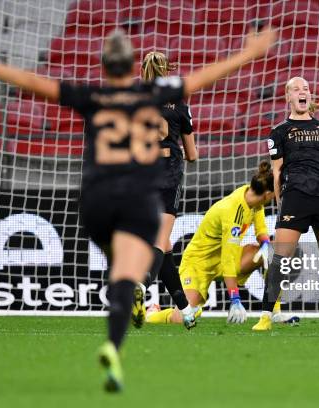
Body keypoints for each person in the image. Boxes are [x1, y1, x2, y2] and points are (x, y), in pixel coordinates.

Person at [0, 27, 276, 392]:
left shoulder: (92, 94)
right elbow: (204, 78)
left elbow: (33, 82)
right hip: (140, 192)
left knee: (141, 255)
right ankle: (122, 325)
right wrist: (249, 54)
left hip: (95, 197)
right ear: (132, 65)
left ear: (105, 66)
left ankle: (158, 312)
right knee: (136, 264)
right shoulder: (154, 94)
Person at [146, 161, 297, 325]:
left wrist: (266, 244)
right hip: (198, 264)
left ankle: (274, 311)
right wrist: (235, 299)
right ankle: (152, 313)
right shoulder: (232, 212)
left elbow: (260, 231)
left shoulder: (253, 200)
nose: (276, 195)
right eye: (275, 192)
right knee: (181, 318)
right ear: (268, 194)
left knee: (274, 252)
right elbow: (228, 260)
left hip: (224, 258)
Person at [252, 76, 319, 332]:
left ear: (309, 96)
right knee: (281, 257)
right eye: (296, 89)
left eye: (306, 88)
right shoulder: (279, 132)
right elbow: (277, 171)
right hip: (296, 196)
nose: (302, 91)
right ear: (288, 97)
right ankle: (265, 315)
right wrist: (281, 202)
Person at [131, 51, 199, 330]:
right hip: (168, 167)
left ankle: (186, 310)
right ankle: (140, 285)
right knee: (161, 239)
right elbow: (192, 154)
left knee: (166, 247)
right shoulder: (179, 105)